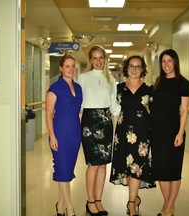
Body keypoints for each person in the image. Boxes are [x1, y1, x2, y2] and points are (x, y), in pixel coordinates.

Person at [77, 45, 120, 216]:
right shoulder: (82, 78)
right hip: (89, 121)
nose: (98, 61)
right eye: (94, 58)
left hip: (106, 121)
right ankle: (90, 201)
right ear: (90, 60)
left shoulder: (111, 80)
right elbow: (77, 102)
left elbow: (114, 105)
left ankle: (98, 200)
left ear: (105, 59)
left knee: (103, 165)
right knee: (93, 164)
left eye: (101, 57)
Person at [109, 55, 155, 216]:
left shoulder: (150, 88)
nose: (134, 69)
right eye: (131, 66)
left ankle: (131, 204)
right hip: (122, 133)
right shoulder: (118, 88)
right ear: (126, 68)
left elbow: (157, 112)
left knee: (137, 167)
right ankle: (134, 198)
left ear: (143, 69)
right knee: (128, 167)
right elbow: (110, 106)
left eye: (138, 66)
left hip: (142, 133)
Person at [150, 49, 189, 216]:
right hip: (157, 133)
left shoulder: (183, 83)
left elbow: (185, 110)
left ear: (175, 62)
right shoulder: (158, 82)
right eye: (163, 61)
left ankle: (168, 206)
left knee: (173, 170)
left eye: (169, 61)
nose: (166, 64)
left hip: (174, 132)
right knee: (161, 170)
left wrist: (180, 132)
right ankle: (168, 205)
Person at [45, 55, 82, 216]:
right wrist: (52, 136)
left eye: (73, 66)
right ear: (61, 68)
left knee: (66, 171)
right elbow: (48, 114)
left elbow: (78, 110)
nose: (71, 69)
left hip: (75, 133)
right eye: (67, 66)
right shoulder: (54, 88)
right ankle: (70, 208)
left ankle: (59, 206)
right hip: (60, 133)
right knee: (62, 170)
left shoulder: (79, 88)